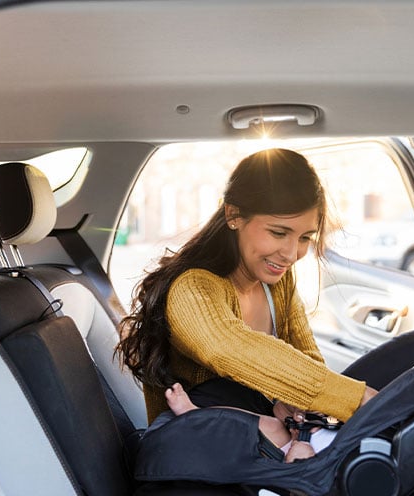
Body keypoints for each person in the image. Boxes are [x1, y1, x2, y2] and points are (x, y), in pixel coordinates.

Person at [117, 148, 378, 429]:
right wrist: (357, 397)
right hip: (198, 459)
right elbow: (227, 347)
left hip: (258, 450)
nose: (291, 254)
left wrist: (294, 400)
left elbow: (309, 360)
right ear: (234, 215)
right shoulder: (192, 289)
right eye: (278, 233)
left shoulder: (278, 282)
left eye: (305, 237)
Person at [165, 382, 335, 463]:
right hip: (317, 428)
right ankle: (197, 414)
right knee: (273, 421)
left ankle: (194, 416)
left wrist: (301, 464)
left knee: (248, 432)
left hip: (302, 461)